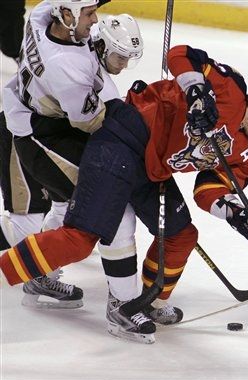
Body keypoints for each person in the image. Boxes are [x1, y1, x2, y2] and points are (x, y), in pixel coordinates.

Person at [0, 44, 248, 343]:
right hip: (125, 138)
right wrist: (195, 91)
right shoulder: (229, 89)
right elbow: (180, 54)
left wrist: (239, 215)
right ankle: (7, 269)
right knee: (80, 240)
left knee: (182, 235)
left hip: (153, 171)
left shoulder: (246, 154)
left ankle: (147, 302)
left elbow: (209, 190)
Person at [1, 0, 152, 342]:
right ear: (66, 16)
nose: (94, 19)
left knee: (62, 204)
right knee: (113, 206)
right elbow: (89, 120)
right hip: (39, 135)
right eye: (88, 15)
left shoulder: (41, 18)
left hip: (35, 119)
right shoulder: (66, 65)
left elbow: (61, 11)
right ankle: (123, 306)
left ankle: (40, 274)